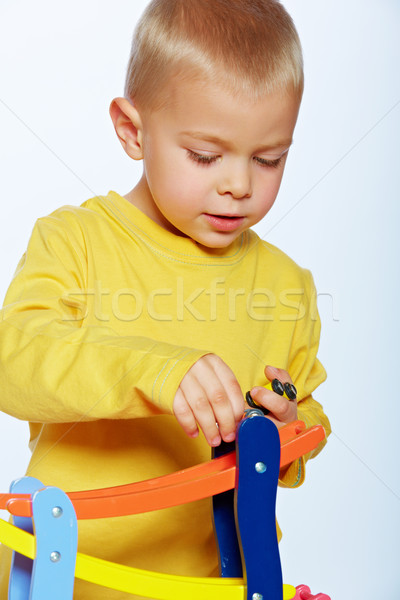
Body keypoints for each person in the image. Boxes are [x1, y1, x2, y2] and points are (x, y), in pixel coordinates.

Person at [0, 1, 331, 598]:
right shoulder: (74, 240)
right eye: (205, 156)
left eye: (269, 158)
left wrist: (286, 433)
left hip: (225, 585)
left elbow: (308, 413)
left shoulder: (288, 286)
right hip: (69, 579)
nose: (239, 185)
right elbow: (14, 362)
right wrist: (156, 369)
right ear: (133, 130)